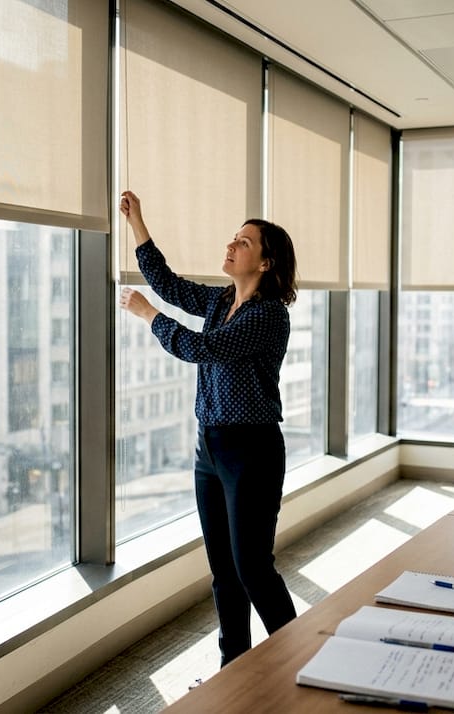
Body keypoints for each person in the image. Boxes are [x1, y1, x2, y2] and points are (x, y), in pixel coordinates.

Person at [117, 190, 299, 667]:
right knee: (223, 572)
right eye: (234, 238)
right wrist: (139, 223)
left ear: (264, 262)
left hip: (252, 452)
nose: (231, 245)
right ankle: (232, 670)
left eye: (243, 241)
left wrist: (147, 315)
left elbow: (201, 349)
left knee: (253, 569)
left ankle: (301, 660)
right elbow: (170, 285)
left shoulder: (267, 316)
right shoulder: (222, 301)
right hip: (210, 451)